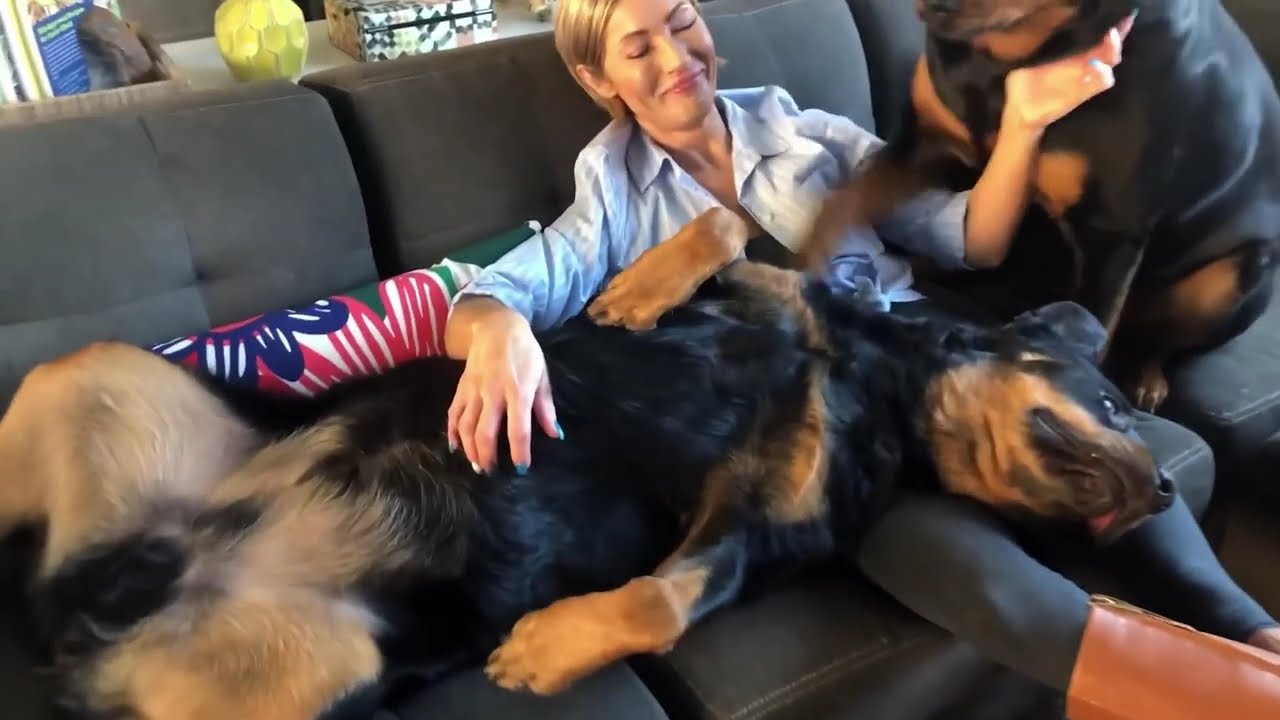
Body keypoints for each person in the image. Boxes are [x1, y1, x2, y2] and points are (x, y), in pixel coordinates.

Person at [442, 0, 1280, 707]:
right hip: (822, 434)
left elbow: (971, 241)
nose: (675, 56)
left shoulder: (800, 131)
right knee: (985, 579)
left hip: (930, 355)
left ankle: (1256, 636)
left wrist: (1025, 121)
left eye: (682, 20)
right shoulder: (613, 198)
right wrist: (498, 332)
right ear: (598, 80)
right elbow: (490, 295)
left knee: (1107, 450)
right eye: (638, 48)